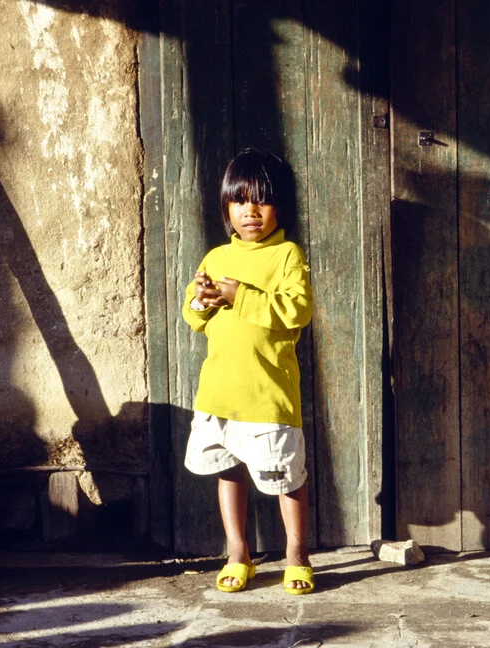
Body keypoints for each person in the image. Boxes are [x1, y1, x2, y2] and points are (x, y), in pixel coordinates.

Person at [182, 148, 314, 594]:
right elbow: (194, 316)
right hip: (220, 393)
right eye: (240, 201)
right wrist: (202, 295)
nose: (250, 212)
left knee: (286, 479)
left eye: (261, 200)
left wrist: (240, 295)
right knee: (227, 470)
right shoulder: (216, 258)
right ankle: (238, 552)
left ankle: (297, 553)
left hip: (268, 394)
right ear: (226, 208)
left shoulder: (287, 255)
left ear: (281, 207)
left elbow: (297, 310)